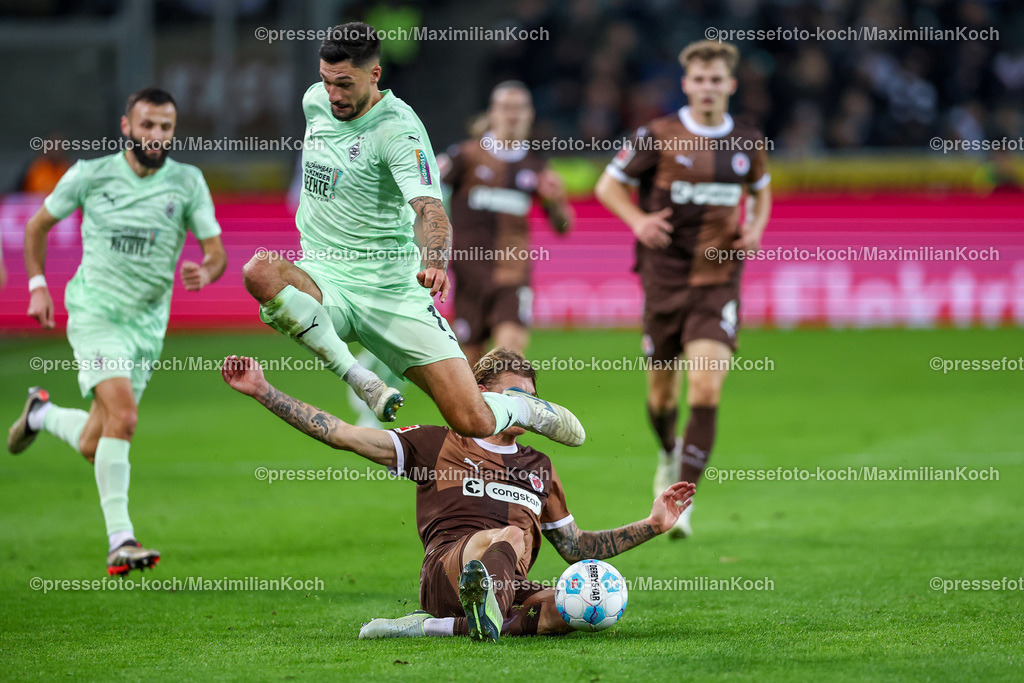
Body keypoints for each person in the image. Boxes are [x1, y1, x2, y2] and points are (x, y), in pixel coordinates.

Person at [240, 22, 584, 447]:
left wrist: (435, 261)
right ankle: (361, 378)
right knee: (260, 270)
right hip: (325, 278)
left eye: (344, 84)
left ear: (374, 75)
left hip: (391, 290)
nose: (333, 95)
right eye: (326, 81)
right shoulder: (316, 102)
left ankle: (522, 408)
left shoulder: (400, 132)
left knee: (471, 417)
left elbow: (430, 206)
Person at [221, 348, 694, 641]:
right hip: (448, 570)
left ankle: (433, 628)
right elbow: (343, 433)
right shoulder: (437, 442)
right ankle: (471, 608)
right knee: (506, 534)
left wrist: (652, 524)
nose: (521, 409)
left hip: (504, 587)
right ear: (478, 394)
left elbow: (576, 549)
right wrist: (264, 390)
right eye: (511, 396)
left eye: (530, 400)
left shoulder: (539, 467)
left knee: (572, 607)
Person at [7, 87, 227, 575]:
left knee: (94, 441)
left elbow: (216, 251)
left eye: (165, 127)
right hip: (94, 313)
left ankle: (40, 414)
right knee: (124, 417)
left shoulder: (187, 182)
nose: (156, 135)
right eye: (147, 125)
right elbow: (36, 227)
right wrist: (38, 286)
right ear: (126, 126)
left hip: (146, 327)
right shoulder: (90, 173)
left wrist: (206, 272)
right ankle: (120, 540)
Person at [595, 40, 771, 538]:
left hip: (719, 281)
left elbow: (762, 191)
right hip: (664, 281)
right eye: (700, 80)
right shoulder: (658, 135)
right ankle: (669, 452)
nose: (708, 88)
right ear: (686, 84)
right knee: (660, 395)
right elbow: (607, 185)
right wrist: (639, 220)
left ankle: (683, 500)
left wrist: (755, 229)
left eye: (717, 80)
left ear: (730, 85)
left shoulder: (746, 141)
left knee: (708, 388)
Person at [437, 81, 574, 367]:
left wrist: (556, 202)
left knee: (509, 361)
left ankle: (510, 409)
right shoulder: (465, 156)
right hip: (468, 277)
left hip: (512, 276)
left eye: (520, 108)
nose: (513, 115)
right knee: (471, 375)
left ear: (530, 114)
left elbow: (563, 227)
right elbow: (425, 198)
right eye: (506, 108)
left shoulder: (536, 165)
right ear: (493, 113)